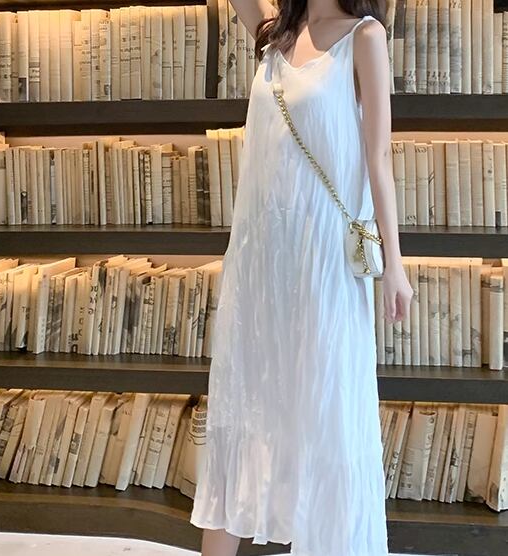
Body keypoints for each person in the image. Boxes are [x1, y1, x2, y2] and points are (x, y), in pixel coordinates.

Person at [189, 0, 414, 554]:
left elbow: (379, 157)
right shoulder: (275, 35)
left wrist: (395, 265)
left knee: (323, 414)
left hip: (323, 265)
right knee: (244, 407)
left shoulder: (364, 37)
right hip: (260, 263)